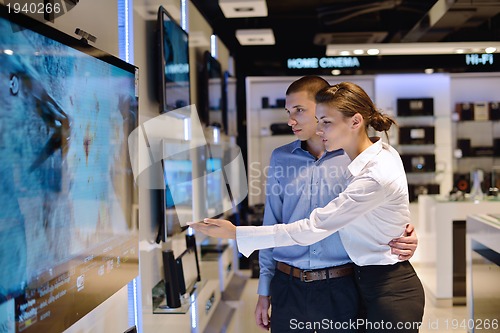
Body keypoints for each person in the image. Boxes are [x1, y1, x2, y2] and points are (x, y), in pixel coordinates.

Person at [191, 81, 425, 333]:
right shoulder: (282, 158)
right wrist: (264, 289)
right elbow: (273, 223)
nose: (292, 120)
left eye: (301, 111)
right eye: (288, 112)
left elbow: (320, 225)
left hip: (344, 285)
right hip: (288, 285)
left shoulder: (362, 162)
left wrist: (236, 232)